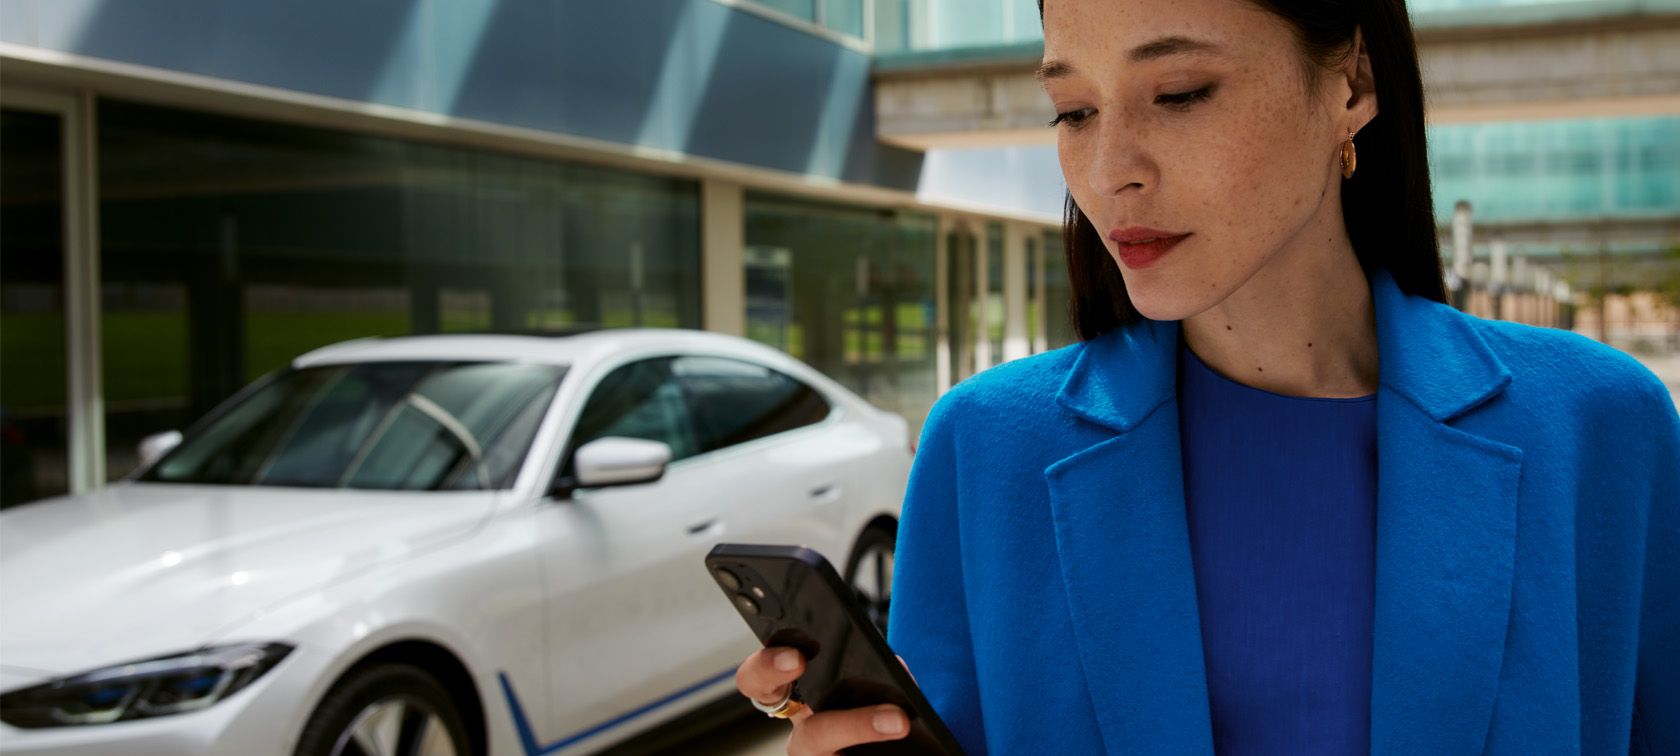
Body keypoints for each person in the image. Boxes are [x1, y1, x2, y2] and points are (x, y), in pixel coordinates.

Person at [734, 0, 1680, 752]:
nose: (1109, 173)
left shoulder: (1602, 427)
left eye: (1180, 92)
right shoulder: (986, 450)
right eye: (1073, 110)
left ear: (1351, 82)